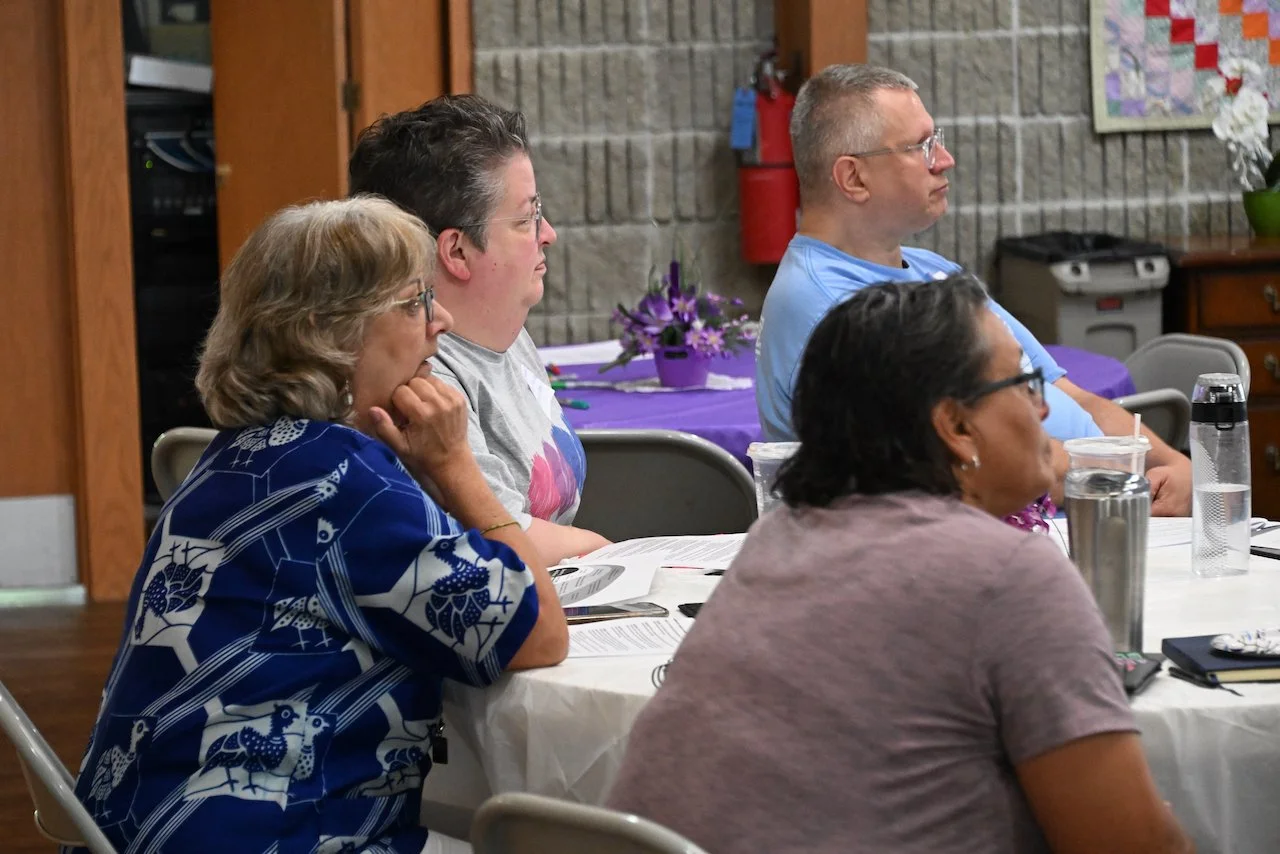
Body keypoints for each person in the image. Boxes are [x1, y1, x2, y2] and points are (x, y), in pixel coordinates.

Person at [609, 276, 1191, 854]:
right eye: (1024, 382)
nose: (1043, 407)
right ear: (957, 427)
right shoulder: (1008, 575)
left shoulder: (778, 541)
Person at [70, 197, 568, 854]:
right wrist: (455, 466)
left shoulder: (239, 459)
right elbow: (539, 633)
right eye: (416, 300)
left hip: (151, 828)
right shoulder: (341, 482)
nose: (440, 320)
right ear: (331, 332)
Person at [755, 63, 1192, 515]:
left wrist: (1177, 466)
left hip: (1094, 502)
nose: (945, 160)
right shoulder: (832, 310)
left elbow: (1071, 396)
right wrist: (1131, 481)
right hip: (1033, 528)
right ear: (854, 178)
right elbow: (980, 462)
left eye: (936, 139)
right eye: (920, 146)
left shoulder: (932, 270)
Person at [349, 94, 610, 564]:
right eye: (527, 216)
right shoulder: (418, 377)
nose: (547, 232)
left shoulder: (506, 329)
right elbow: (501, 542)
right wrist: (618, 554)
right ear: (457, 253)